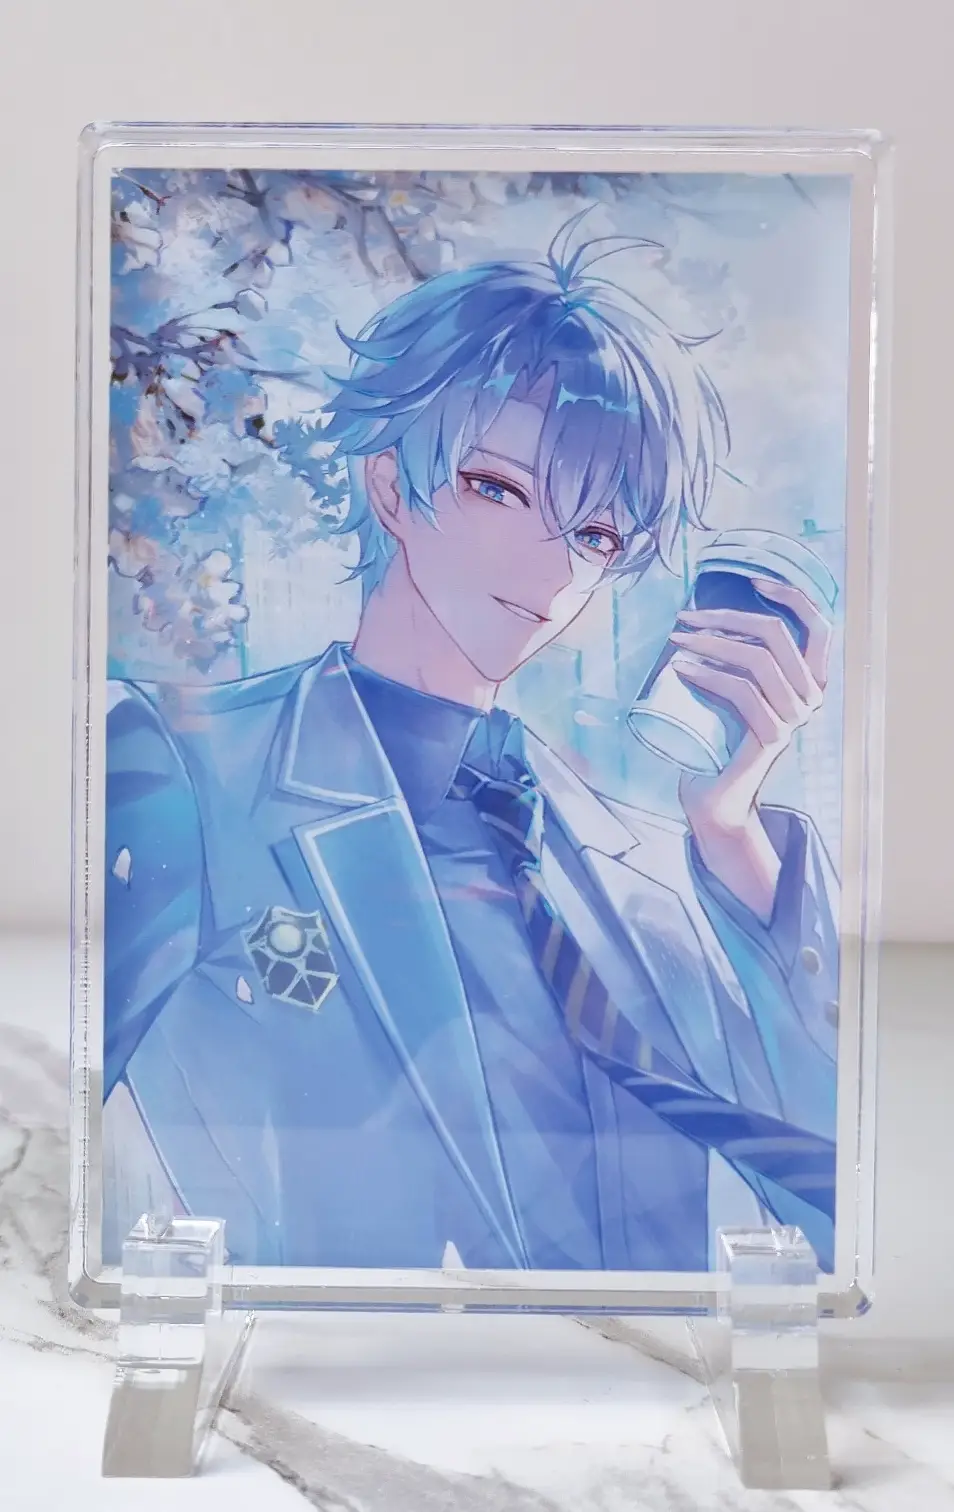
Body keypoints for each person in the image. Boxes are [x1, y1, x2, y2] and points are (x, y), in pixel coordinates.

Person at [103, 224, 839, 1274]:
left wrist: (733, 842)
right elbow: (56, 1134)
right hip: (326, 1353)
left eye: (597, 535)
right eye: (500, 488)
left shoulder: (642, 872)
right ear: (391, 487)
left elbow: (824, 1200)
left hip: (639, 1369)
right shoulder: (191, 770)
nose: (553, 568)